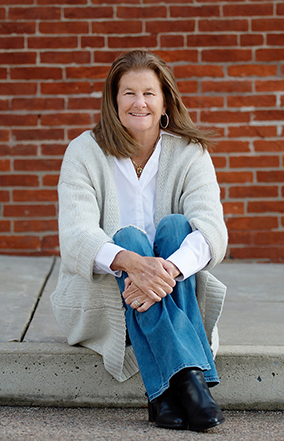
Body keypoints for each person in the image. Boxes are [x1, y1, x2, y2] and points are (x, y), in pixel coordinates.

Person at [50, 50, 228, 432]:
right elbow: (76, 235)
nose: (139, 103)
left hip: (167, 284)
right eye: (128, 93)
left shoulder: (189, 151)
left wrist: (166, 270)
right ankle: (189, 381)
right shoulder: (84, 152)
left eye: (149, 93)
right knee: (128, 238)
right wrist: (132, 263)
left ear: (165, 100)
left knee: (179, 227)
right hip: (105, 293)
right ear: (114, 102)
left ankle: (162, 396)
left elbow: (213, 229)